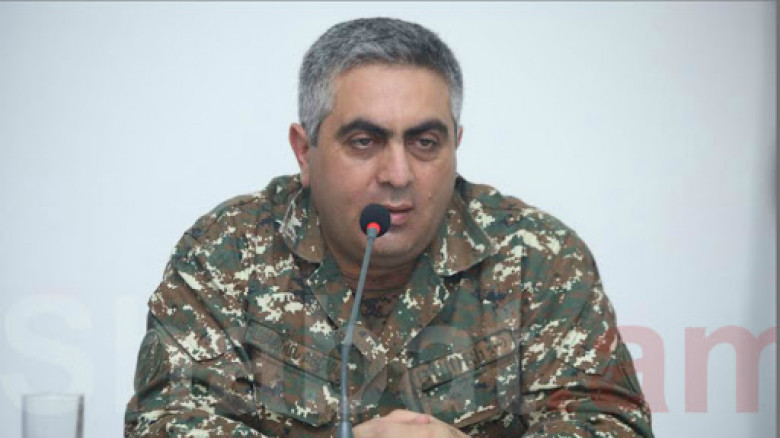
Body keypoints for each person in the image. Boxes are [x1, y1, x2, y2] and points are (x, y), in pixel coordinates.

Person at [125, 17, 653, 438]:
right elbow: (166, 423)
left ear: (455, 146)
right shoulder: (225, 254)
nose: (398, 175)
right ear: (304, 152)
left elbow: (609, 424)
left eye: (425, 143)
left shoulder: (538, 256)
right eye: (364, 142)